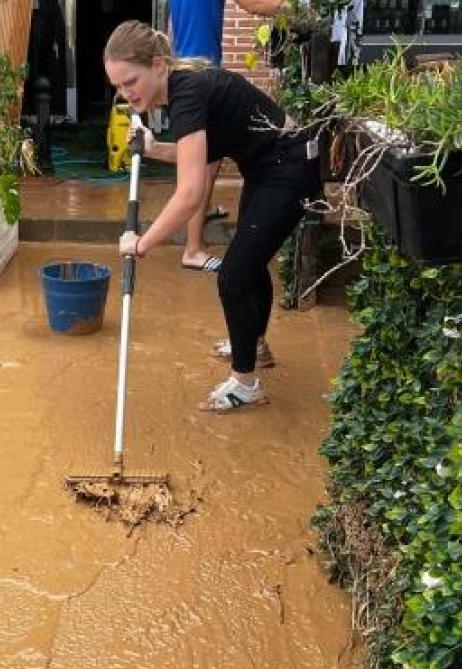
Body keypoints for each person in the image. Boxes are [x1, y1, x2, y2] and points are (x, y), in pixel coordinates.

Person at [105, 20, 320, 411]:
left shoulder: (187, 94)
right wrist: (153, 149)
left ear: (157, 65)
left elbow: (190, 194)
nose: (125, 93)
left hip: (289, 169)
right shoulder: (183, 89)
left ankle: (245, 383)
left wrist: (142, 243)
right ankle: (254, 345)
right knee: (248, 264)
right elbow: (198, 153)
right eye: (118, 87)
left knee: (234, 275)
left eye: (130, 81)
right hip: (270, 166)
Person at [167, 0, 230, 273]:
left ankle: (204, 210)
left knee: (208, 159)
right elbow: (254, 3)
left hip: (185, 68)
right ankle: (193, 250)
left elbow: (171, 28)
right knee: (205, 163)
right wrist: (295, 10)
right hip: (202, 73)